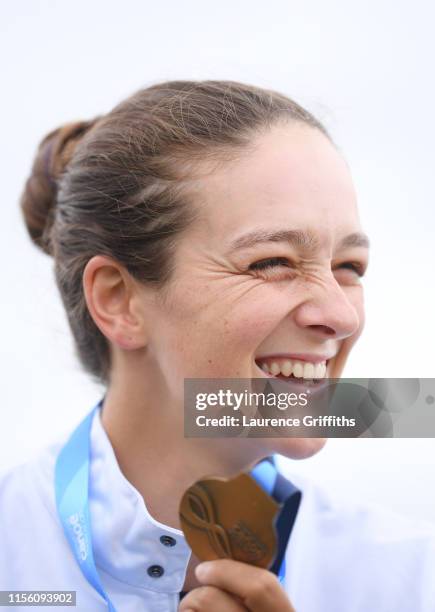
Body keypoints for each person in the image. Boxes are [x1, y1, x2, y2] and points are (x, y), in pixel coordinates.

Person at [1, 79, 434, 611]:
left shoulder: (410, 578)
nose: (341, 316)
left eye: (348, 267)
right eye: (272, 262)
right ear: (118, 300)